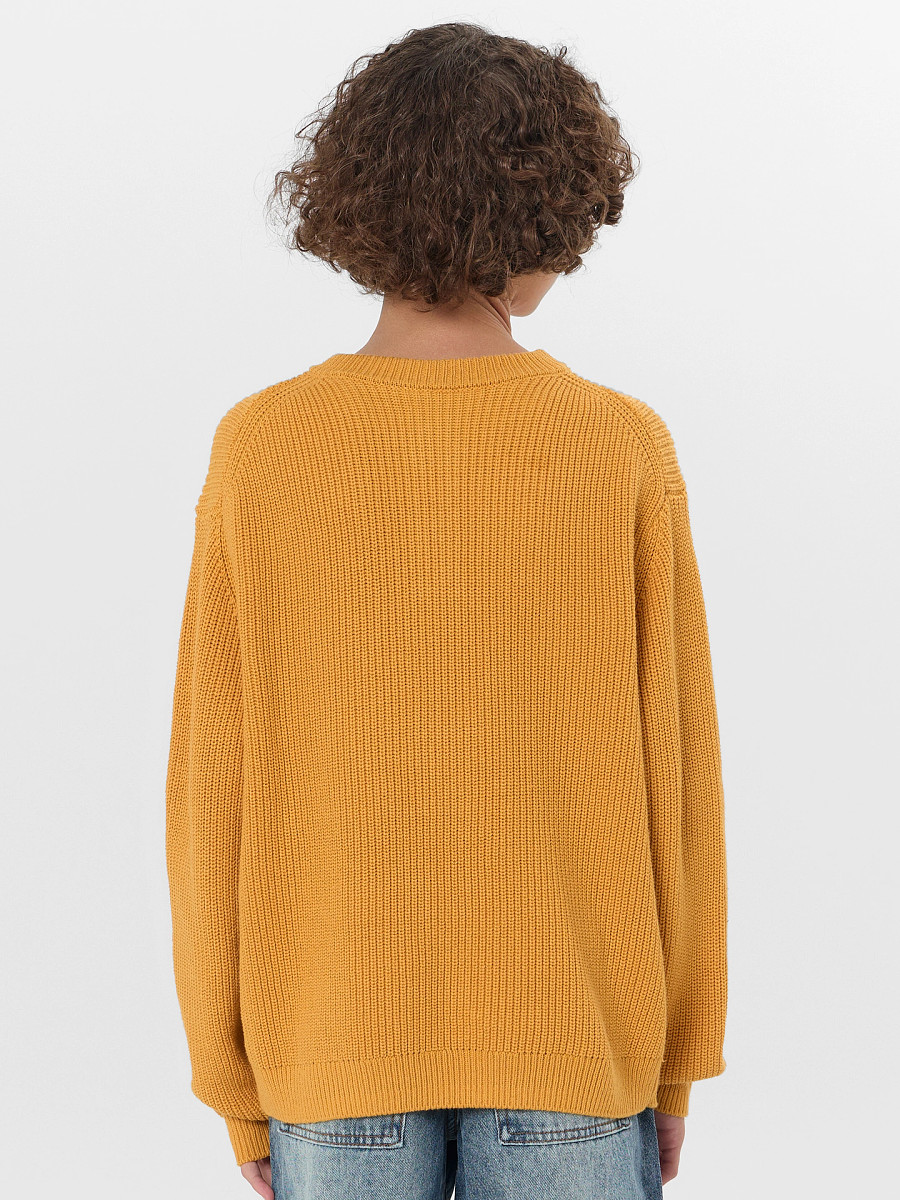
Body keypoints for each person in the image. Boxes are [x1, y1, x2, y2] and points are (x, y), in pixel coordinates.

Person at [165, 21, 728, 1200]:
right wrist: (676, 1063)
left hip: (333, 1044)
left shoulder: (261, 447)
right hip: (575, 1043)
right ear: (550, 208)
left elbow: (212, 788)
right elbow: (676, 782)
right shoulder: (619, 445)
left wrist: (229, 1074)